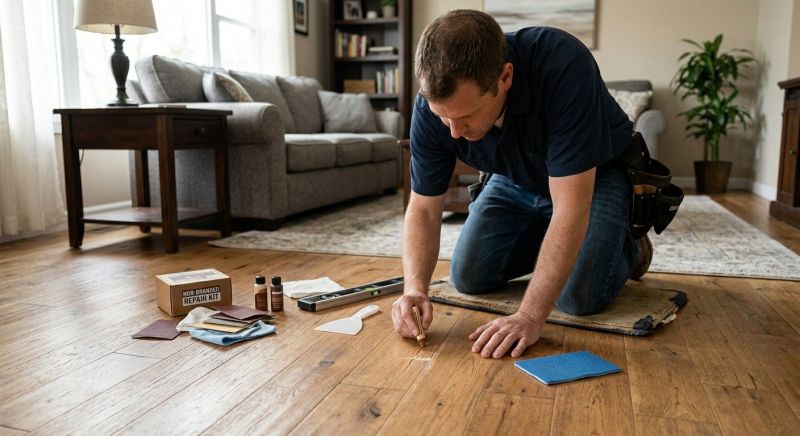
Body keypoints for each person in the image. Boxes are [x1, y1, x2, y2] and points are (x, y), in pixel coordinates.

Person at [391, 10, 652, 359]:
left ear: (505, 77)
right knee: (468, 276)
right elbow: (423, 209)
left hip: (596, 175)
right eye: (443, 117)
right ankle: (562, 247)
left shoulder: (563, 64)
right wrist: (415, 288)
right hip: (515, 177)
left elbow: (570, 210)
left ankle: (630, 245)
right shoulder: (430, 106)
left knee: (578, 296)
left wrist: (529, 315)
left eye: (466, 116)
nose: (454, 132)